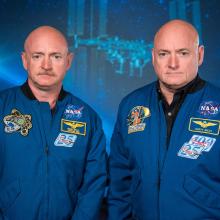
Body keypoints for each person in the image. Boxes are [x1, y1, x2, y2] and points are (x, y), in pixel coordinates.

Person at [107, 19, 220, 219]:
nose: (173, 64)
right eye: (164, 54)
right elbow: (119, 181)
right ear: (153, 57)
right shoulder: (131, 105)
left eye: (183, 53)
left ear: (200, 55)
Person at [0, 26, 106, 220]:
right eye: (38, 56)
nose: (46, 65)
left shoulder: (88, 118)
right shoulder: (2, 107)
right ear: (25, 60)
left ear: (68, 61)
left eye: (56, 56)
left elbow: (94, 184)